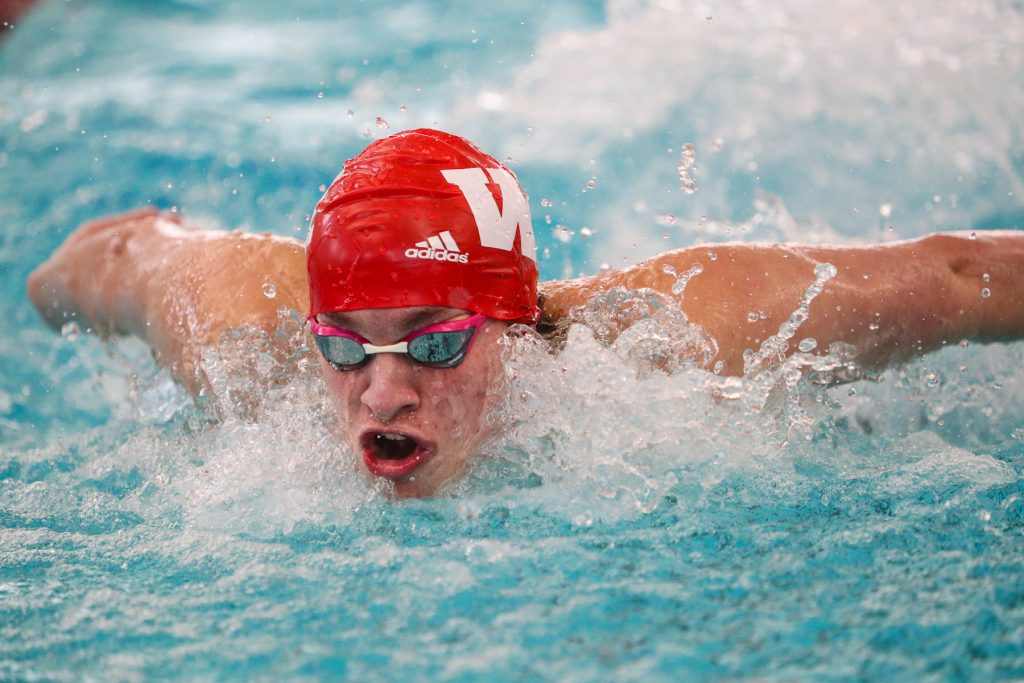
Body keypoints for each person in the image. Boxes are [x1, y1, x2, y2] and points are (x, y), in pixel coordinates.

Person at [27, 129, 1024, 496]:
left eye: (435, 340)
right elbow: (105, 261)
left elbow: (949, 273)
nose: (383, 389)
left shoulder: (668, 341)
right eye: (345, 344)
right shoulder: (245, 341)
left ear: (513, 320)